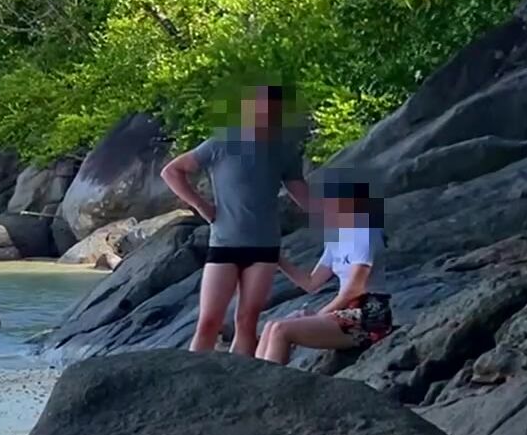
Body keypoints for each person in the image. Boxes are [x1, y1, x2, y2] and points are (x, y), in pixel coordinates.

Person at [161, 85, 311, 356]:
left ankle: (237, 384)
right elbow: (172, 172)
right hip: (225, 242)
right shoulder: (223, 142)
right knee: (208, 322)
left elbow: (299, 191)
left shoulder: (284, 149)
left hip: (264, 246)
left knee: (247, 321)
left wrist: (338, 216)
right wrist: (201, 206)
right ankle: (193, 378)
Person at [258, 182, 392, 365]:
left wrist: (320, 314)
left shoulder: (365, 234)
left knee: (282, 330)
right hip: (345, 311)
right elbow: (311, 283)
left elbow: (355, 288)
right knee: (271, 326)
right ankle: (255, 380)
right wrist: (277, 258)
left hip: (369, 315)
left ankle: (268, 388)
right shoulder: (337, 239)